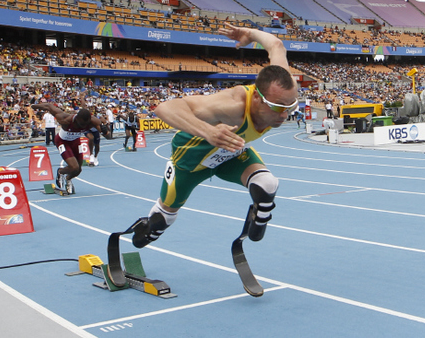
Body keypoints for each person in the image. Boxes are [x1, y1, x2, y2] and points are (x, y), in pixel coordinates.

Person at [126, 23, 299, 254]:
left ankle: (259, 219)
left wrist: (249, 34)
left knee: (267, 185)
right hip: (191, 161)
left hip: (230, 152)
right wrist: (208, 132)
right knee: (162, 221)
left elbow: (276, 45)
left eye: (291, 106)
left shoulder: (281, 85)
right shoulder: (231, 105)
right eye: (277, 107)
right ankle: (146, 230)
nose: (285, 114)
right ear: (257, 97)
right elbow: (164, 108)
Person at [32, 102, 103, 194]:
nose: (83, 126)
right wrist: (33, 106)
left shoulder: (92, 121)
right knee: (74, 166)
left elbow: (108, 135)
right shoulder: (64, 119)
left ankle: (68, 179)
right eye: (81, 123)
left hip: (76, 142)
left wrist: (105, 130)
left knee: (78, 169)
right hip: (62, 141)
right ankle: (60, 172)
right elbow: (49, 106)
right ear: (77, 119)